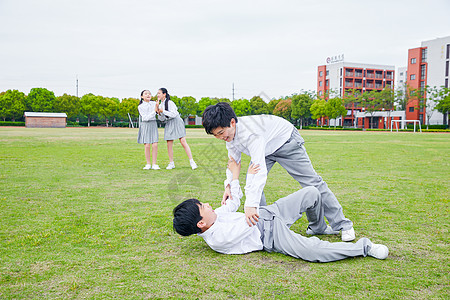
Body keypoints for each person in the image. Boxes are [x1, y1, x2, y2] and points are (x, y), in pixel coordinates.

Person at [172, 158, 389, 262]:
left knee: (312, 193)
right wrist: (250, 184)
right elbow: (249, 220)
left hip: (269, 213)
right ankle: (365, 247)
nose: (208, 205)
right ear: (201, 223)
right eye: (203, 206)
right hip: (271, 235)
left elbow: (231, 203)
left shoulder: (215, 218)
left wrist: (232, 181)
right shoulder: (217, 239)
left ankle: (317, 227)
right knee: (314, 251)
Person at [202, 102, 355, 242]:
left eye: (221, 132)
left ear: (232, 123)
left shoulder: (251, 133)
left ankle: (343, 225)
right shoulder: (229, 137)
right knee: (255, 186)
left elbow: (258, 171)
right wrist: (228, 186)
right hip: (266, 148)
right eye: (216, 135)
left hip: (286, 142)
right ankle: (260, 226)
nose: (221, 138)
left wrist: (250, 205)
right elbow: (233, 162)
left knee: (313, 182)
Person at [156, 88, 197, 170]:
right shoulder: (160, 105)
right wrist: (158, 111)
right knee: (169, 143)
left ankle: (192, 161)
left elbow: (174, 114)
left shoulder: (170, 103)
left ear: (164, 94)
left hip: (176, 121)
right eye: (157, 93)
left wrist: (163, 111)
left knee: (183, 141)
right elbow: (161, 119)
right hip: (169, 123)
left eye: (159, 93)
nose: (157, 95)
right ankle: (171, 163)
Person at [137, 90, 160, 170]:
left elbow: (158, 112)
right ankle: (148, 164)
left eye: (149, 93)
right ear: (142, 96)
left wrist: (157, 107)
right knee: (147, 145)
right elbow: (145, 118)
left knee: (155, 144)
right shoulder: (140, 106)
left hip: (153, 124)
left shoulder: (154, 103)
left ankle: (154, 164)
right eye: (146, 94)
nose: (148, 95)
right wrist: (154, 111)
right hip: (145, 125)